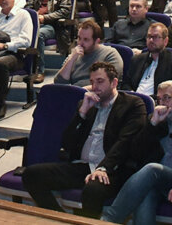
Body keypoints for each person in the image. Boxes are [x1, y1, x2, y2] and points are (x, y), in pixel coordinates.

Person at [22, 62, 146, 218]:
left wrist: (103, 168)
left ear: (114, 82)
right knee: (31, 174)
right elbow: (67, 144)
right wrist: (81, 113)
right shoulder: (86, 104)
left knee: (93, 190)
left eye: (100, 81)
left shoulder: (133, 105)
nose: (95, 87)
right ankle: (63, 219)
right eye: (92, 82)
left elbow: (125, 142)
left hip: (112, 170)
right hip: (82, 166)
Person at [100, 80, 172, 225]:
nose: (162, 103)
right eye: (159, 99)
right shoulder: (155, 119)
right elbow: (135, 153)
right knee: (147, 192)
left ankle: (109, 220)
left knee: (152, 169)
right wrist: (152, 125)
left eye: (167, 98)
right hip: (153, 180)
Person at [121, 22, 172, 95]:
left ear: (165, 41)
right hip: (134, 98)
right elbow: (126, 84)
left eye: (156, 37)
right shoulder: (137, 59)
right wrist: (132, 94)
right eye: (149, 36)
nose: (151, 40)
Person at [54, 19, 124, 87]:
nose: (80, 43)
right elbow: (59, 82)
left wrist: (83, 90)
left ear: (97, 41)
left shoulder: (110, 54)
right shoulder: (75, 55)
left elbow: (110, 83)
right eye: (79, 38)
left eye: (86, 39)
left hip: (97, 93)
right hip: (76, 92)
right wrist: (71, 59)